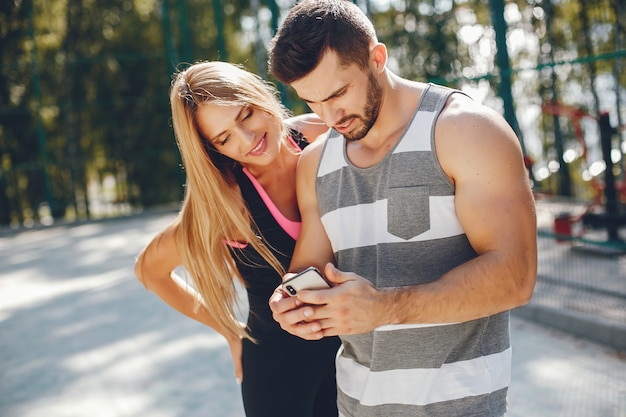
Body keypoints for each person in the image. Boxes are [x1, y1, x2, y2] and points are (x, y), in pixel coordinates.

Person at [267, 1, 538, 416]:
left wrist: (387, 308)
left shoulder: (466, 131)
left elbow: (515, 276)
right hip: (356, 406)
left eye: (338, 93)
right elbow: (310, 270)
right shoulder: (315, 162)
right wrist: (294, 306)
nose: (329, 115)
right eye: (312, 101)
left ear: (377, 58)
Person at [134, 61, 340, 417]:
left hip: (351, 356)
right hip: (277, 375)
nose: (248, 140)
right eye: (224, 138)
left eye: (246, 114)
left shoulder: (321, 134)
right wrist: (231, 333)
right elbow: (149, 270)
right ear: (213, 149)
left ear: (259, 94)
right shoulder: (227, 202)